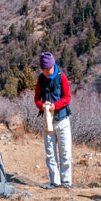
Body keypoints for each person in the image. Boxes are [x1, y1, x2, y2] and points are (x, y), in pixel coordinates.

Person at [34, 52, 73, 189]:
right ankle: (54, 182)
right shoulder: (40, 79)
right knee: (50, 153)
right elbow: (37, 98)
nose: (46, 73)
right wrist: (42, 105)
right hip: (48, 121)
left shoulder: (61, 77)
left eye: (48, 70)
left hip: (62, 120)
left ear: (52, 66)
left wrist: (55, 106)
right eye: (43, 70)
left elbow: (67, 97)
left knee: (65, 152)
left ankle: (66, 182)